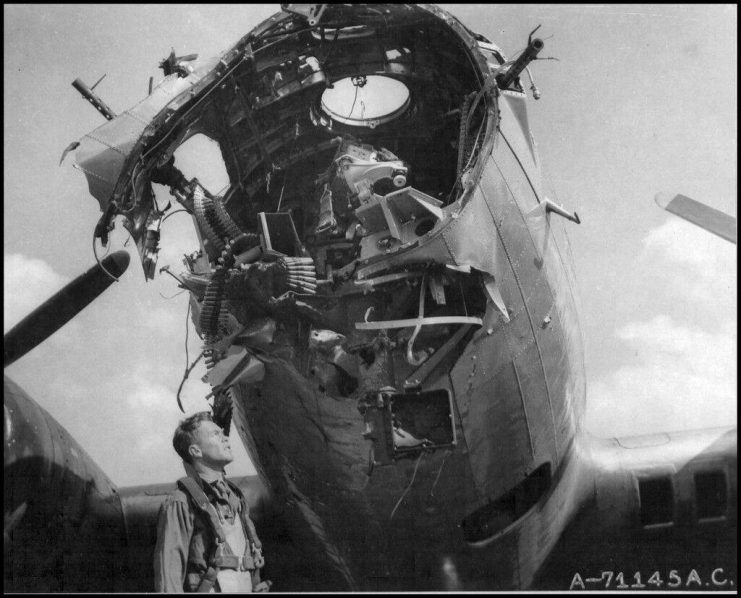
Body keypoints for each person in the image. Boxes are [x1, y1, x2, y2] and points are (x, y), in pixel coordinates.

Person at [154, 412, 270, 592]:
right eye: (215, 434)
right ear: (195, 451)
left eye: (223, 433)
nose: (225, 438)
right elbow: (169, 574)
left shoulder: (236, 499)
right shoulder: (181, 501)